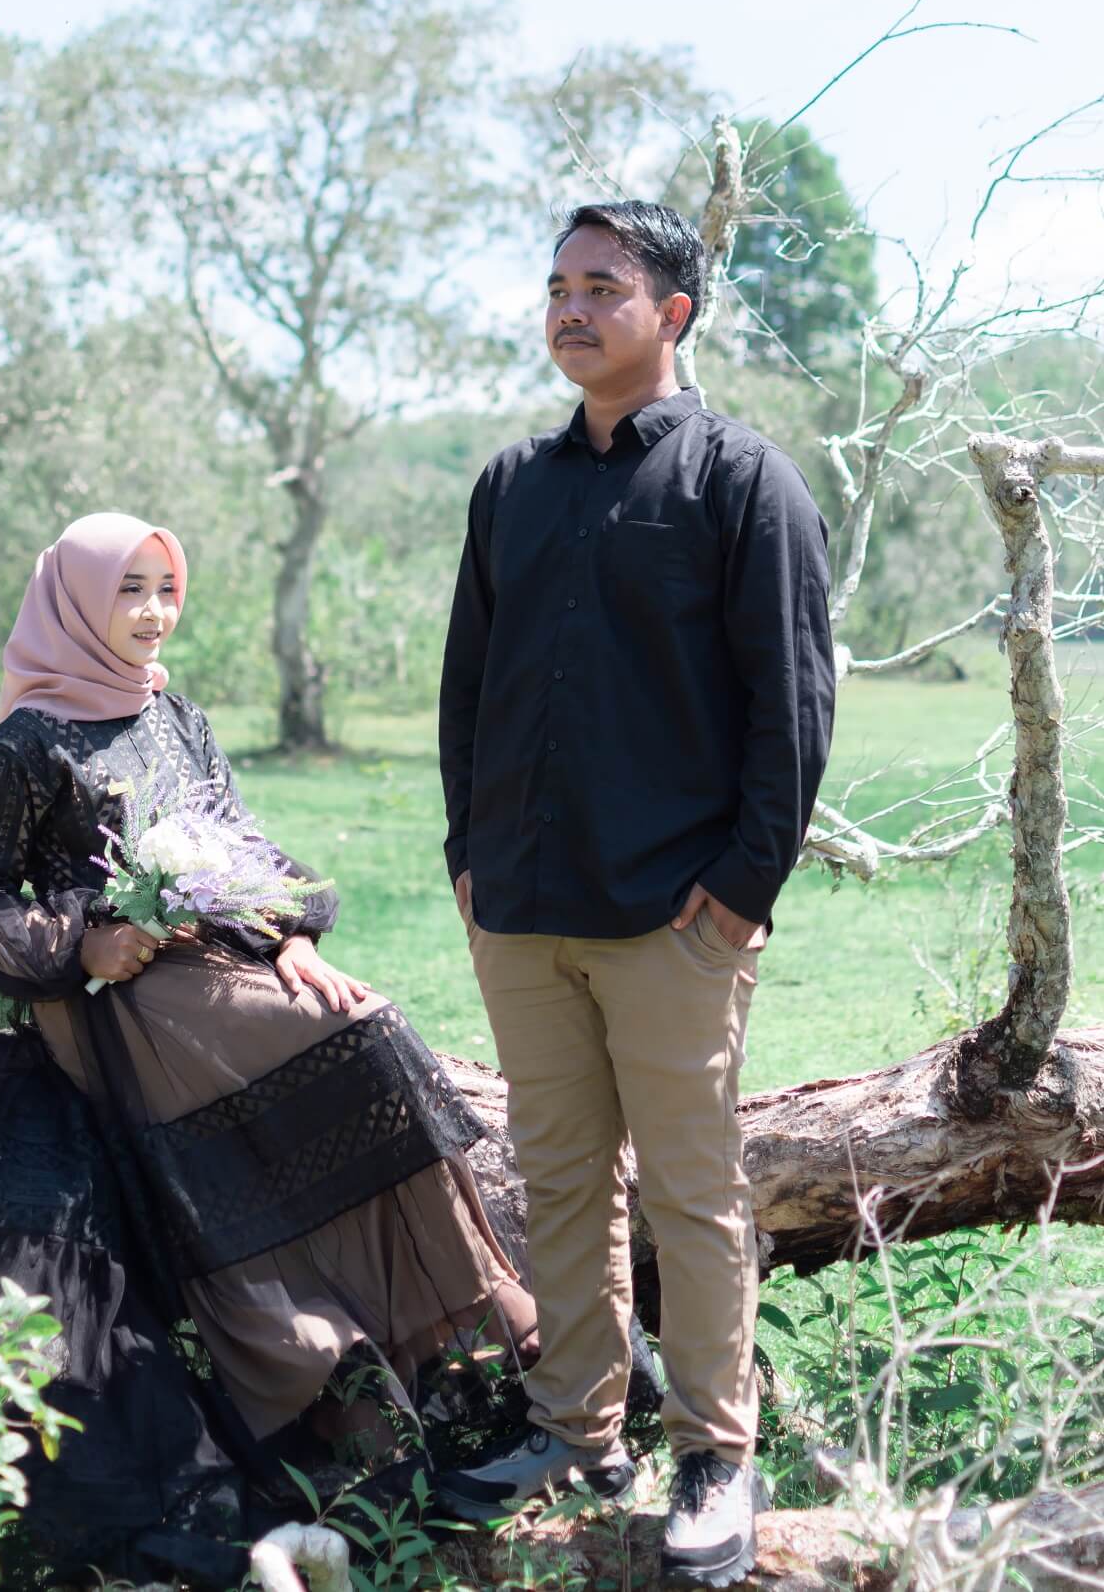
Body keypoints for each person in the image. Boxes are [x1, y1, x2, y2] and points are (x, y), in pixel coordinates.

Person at [0, 511, 534, 1588]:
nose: (152, 613)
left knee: (363, 1027)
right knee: (343, 1046)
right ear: (75, 599)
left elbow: (244, 846)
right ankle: (326, 1386)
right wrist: (83, 943)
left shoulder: (177, 715)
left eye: (165, 589)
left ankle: (480, 1346)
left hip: (211, 962)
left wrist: (293, 935)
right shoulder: (24, 744)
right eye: (128, 590)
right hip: (111, 1000)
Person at [435, 200, 837, 1587]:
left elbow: (792, 706)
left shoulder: (744, 482)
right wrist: (468, 853)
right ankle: (573, 1430)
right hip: (522, 906)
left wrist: (740, 888)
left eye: (601, 287)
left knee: (690, 1191)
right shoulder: (510, 485)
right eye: (557, 286)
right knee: (557, 1182)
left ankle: (715, 1455)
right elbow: (467, 691)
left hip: (675, 915)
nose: (570, 309)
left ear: (671, 313)